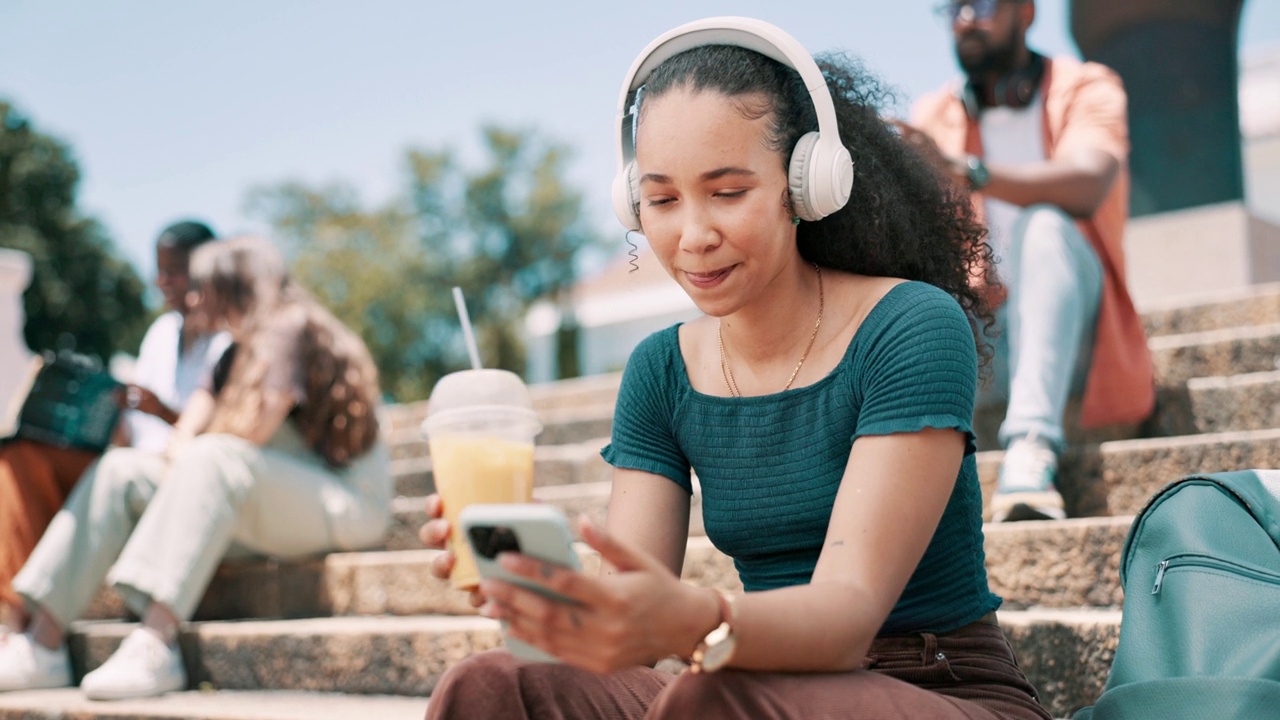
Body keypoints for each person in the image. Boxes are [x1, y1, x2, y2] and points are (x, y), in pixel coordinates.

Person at [419, 16, 1051, 719]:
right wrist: (546, 595)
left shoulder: (910, 326)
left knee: (711, 699)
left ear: (806, 184)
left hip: (933, 688)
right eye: (660, 200)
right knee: (492, 685)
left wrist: (692, 620)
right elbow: (624, 647)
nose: (692, 236)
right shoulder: (660, 370)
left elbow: (845, 621)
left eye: (726, 192)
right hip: (742, 677)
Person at [0, 235, 392, 700]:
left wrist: (190, 454)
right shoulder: (230, 353)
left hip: (345, 500)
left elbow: (251, 434)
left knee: (214, 455)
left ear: (233, 287)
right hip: (265, 499)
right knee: (122, 470)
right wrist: (177, 453)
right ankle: (41, 643)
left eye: (202, 287)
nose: (191, 299)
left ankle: (155, 642)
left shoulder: (290, 328)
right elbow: (185, 435)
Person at [896, 0, 1155, 522]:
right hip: (988, 345)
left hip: (1081, 343)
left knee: (1047, 222)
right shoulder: (935, 114)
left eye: (984, 4)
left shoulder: (1085, 86)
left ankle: (1031, 452)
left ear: (1027, 13)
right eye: (953, 8)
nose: (966, 18)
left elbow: (1086, 184)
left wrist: (967, 171)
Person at [0, 220, 230, 631]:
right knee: (19, 456)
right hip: (124, 459)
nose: (162, 281)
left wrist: (163, 414)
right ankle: (14, 612)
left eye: (174, 270)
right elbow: (130, 426)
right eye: (159, 270)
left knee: (114, 474)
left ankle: (34, 631)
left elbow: (225, 435)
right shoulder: (160, 332)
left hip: (173, 470)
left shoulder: (229, 338)